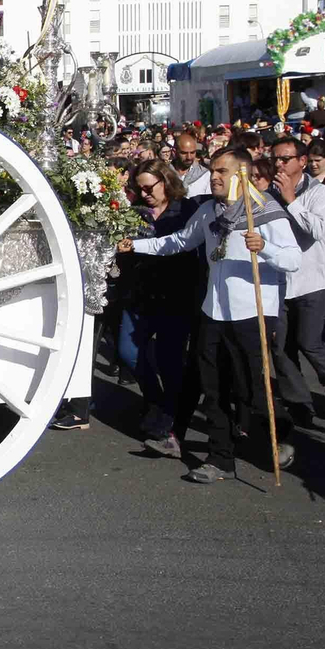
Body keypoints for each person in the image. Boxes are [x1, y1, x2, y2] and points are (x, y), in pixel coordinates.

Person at [120, 149, 302, 482]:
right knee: (213, 387)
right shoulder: (208, 211)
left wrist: (265, 248)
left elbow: (293, 260)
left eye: (222, 171)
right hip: (213, 311)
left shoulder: (265, 211)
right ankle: (220, 458)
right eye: (213, 171)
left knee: (251, 387)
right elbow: (178, 242)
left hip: (251, 314)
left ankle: (277, 435)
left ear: (241, 175)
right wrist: (136, 245)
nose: (214, 177)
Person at [116, 161, 201, 456]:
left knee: (170, 360)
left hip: (175, 294)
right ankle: (156, 400)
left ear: (165, 181)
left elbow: (191, 248)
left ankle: (170, 417)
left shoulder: (187, 209)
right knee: (128, 351)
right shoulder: (134, 212)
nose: (144, 193)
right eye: (139, 188)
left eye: (149, 187)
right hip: (140, 292)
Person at [269, 137, 325, 421]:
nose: (279, 164)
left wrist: (291, 200)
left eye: (285, 159)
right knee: (280, 347)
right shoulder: (268, 192)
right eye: (275, 159)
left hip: (310, 280)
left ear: (302, 161)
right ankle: (298, 400)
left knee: (308, 341)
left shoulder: (319, 192)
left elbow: (317, 231)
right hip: (278, 281)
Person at [175, 132, 210, 197]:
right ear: (175, 151)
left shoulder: (205, 175)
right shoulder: (165, 172)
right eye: (184, 153)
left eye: (192, 152)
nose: (189, 157)